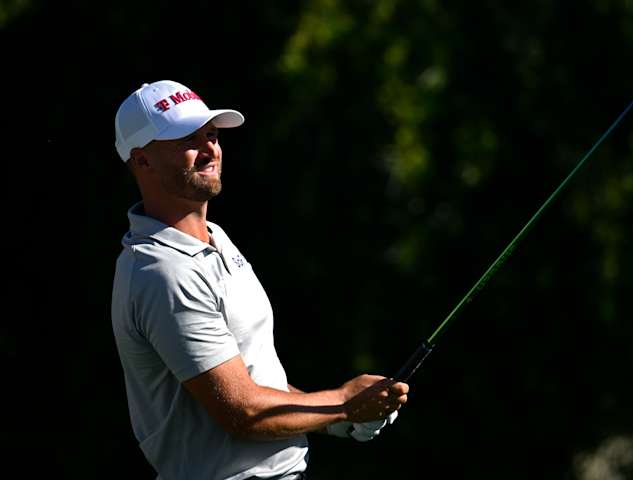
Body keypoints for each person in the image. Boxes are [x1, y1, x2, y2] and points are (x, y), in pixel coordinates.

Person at [110, 80, 409, 480]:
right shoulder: (163, 271)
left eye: (211, 135)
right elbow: (242, 411)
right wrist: (343, 404)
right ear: (142, 160)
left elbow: (256, 380)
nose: (209, 149)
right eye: (187, 139)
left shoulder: (215, 238)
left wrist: (333, 419)